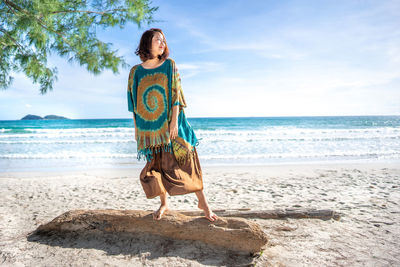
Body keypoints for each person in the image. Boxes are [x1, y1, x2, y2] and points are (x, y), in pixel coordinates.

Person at [127, 28, 218, 222]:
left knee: (186, 160)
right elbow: (134, 103)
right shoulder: (135, 71)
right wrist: (137, 130)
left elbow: (176, 96)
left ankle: (203, 203)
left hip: (172, 124)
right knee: (157, 166)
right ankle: (164, 203)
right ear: (146, 43)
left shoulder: (169, 65)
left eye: (163, 40)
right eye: (157, 40)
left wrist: (174, 122)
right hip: (149, 129)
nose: (162, 43)